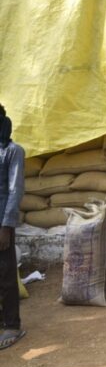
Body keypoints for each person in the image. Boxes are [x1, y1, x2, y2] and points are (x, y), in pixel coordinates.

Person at [0, 104, 26, 350]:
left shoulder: (12, 151)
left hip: (1, 223)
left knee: (6, 275)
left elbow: (14, 190)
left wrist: (6, 226)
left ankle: (12, 325)